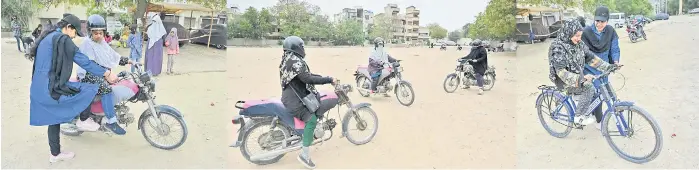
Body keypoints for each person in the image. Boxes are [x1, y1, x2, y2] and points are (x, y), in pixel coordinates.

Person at [26, 14, 118, 163]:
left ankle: (55, 154)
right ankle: (83, 119)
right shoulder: (62, 39)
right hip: (51, 88)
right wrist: (106, 73)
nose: (74, 36)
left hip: (38, 88)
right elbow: (83, 61)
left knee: (53, 118)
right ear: (68, 28)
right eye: (75, 32)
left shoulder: (48, 37)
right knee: (90, 87)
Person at [278, 36, 337, 169]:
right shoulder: (294, 61)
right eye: (302, 46)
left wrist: (322, 77)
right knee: (311, 120)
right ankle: (304, 156)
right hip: (295, 100)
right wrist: (328, 79)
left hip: (293, 95)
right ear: (296, 47)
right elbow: (306, 78)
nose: (303, 49)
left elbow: (305, 75)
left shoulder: (288, 59)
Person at [548, 19, 618, 126]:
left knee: (596, 88)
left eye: (580, 36)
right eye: (576, 36)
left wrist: (608, 67)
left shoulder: (579, 44)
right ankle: (579, 116)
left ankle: (592, 113)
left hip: (577, 76)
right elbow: (560, 72)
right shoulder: (558, 47)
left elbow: (591, 58)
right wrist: (581, 79)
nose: (579, 39)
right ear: (568, 33)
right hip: (563, 81)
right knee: (589, 87)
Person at [75, 14, 135, 134]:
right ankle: (111, 122)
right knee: (106, 88)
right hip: (88, 74)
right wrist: (106, 74)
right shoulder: (87, 44)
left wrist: (128, 61)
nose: (98, 35)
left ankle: (108, 111)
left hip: (102, 72)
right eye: (95, 33)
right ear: (89, 32)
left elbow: (113, 55)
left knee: (120, 79)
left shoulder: (102, 43)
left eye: (100, 33)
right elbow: (90, 65)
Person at [581, 6, 621, 130]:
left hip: (604, 69)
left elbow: (614, 48)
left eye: (602, 21)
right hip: (590, 68)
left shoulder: (610, 31)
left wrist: (615, 61)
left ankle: (613, 111)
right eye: (597, 21)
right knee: (597, 93)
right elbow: (584, 53)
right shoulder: (586, 32)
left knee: (605, 91)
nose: (599, 24)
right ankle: (599, 120)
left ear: (607, 21)